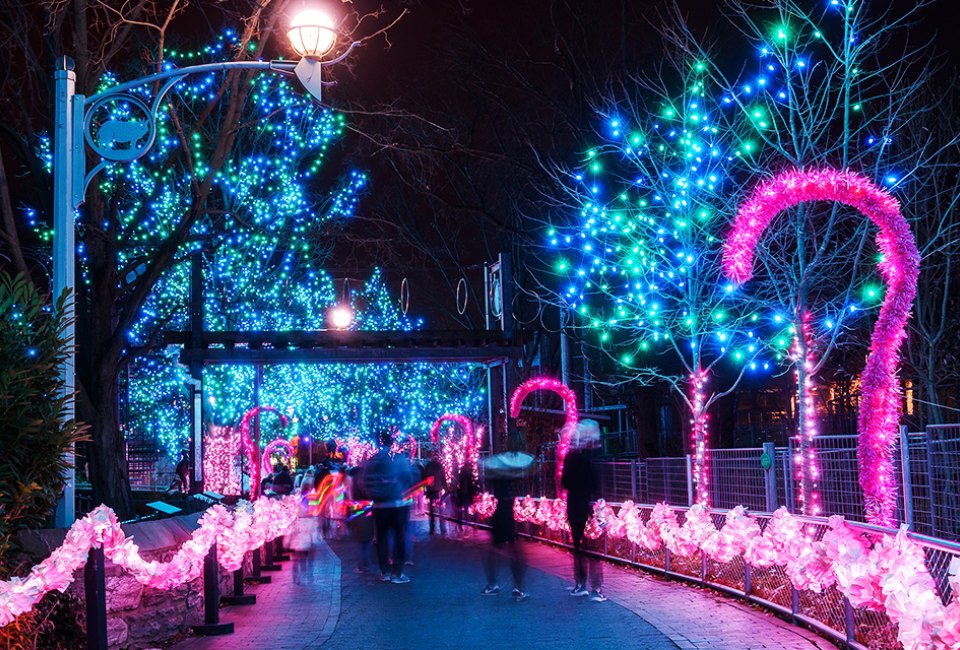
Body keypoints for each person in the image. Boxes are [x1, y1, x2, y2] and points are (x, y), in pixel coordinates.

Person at [480, 431, 533, 602]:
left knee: (497, 550)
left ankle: (492, 585)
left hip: (501, 512)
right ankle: (517, 589)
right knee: (517, 554)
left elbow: (489, 476)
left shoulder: (499, 468)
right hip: (506, 514)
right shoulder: (511, 469)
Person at [360, 430, 417, 583]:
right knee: (399, 538)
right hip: (397, 505)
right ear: (392, 443)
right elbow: (408, 479)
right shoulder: (398, 459)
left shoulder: (371, 461)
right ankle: (397, 574)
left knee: (381, 538)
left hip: (378, 506)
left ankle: (384, 572)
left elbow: (363, 482)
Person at [561, 419, 606, 602]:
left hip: (575, 506)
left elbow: (564, 482)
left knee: (578, 546)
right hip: (591, 507)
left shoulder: (571, 458)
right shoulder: (595, 456)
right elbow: (597, 483)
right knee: (594, 548)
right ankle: (597, 589)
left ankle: (580, 584)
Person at [424, 453, 447, 536]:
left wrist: (426, 488)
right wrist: (446, 487)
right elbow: (443, 478)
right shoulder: (439, 466)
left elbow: (425, 478)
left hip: (430, 490)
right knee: (440, 508)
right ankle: (442, 527)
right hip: (438, 490)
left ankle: (432, 528)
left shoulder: (428, 466)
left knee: (431, 510)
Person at [453, 461, 477, 536]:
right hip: (466, 494)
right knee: (465, 509)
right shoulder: (468, 474)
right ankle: (465, 525)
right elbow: (471, 484)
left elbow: (459, 482)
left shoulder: (462, 473)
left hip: (463, 493)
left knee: (462, 509)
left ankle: (461, 525)